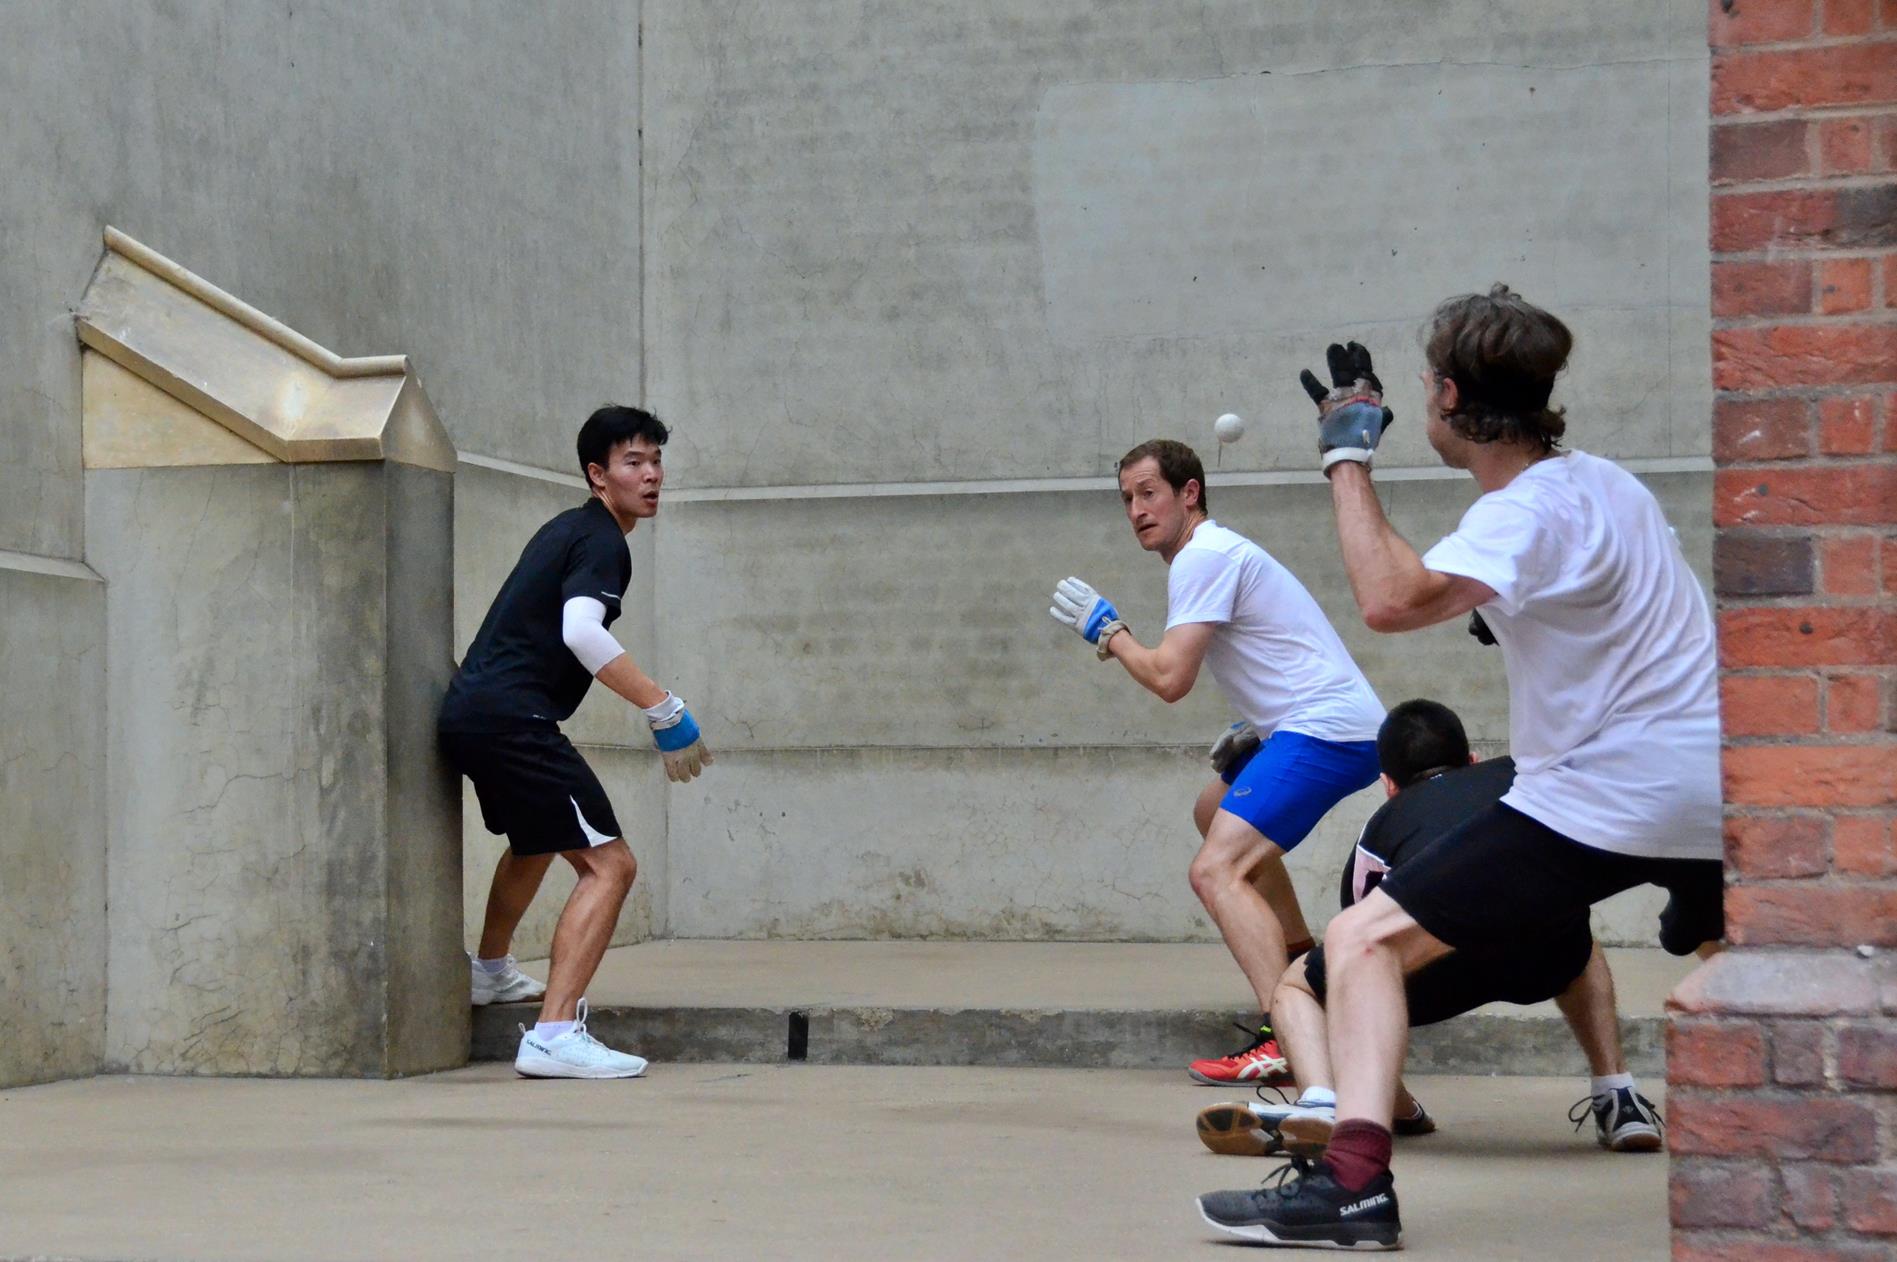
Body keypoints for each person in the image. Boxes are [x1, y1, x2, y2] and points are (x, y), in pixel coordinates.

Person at [1199, 293, 1724, 1250]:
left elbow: (1389, 600)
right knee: (1748, 958)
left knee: (1357, 943)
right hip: (1713, 791)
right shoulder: (1612, 486)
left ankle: (1352, 1191)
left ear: (1443, 396)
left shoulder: (1520, 512)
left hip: (1598, 799)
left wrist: (1345, 452)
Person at [1049, 439, 1386, 1084]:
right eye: (1127, 499)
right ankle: (1308, 970)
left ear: (1190, 493)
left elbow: (1171, 679)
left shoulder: (1202, 555)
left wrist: (1110, 632)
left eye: (1149, 493)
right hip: (1318, 726)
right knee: (1213, 810)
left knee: (1214, 871)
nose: (1137, 511)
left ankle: (1287, 1029)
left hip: (1329, 732)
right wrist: (1260, 731)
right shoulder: (1214, 553)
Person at [1195, 699, 1660, 1161]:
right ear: (1473, 759)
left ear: (1389, 785)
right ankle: (1617, 1094)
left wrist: (1406, 1112)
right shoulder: (1522, 777)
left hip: (1433, 982)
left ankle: (1324, 1102)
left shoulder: (1380, 830)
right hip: (1544, 961)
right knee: (1575, 930)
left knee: (1304, 983)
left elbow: (1362, 977)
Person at [439, 404, 713, 1080]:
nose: (651, 475)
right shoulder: (600, 540)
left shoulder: (571, 530)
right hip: (512, 720)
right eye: (633, 463)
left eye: (655, 461)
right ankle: (554, 1034)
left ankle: (492, 972)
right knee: (610, 866)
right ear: (598, 474)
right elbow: (582, 634)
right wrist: (662, 708)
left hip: (472, 715)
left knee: (536, 842)